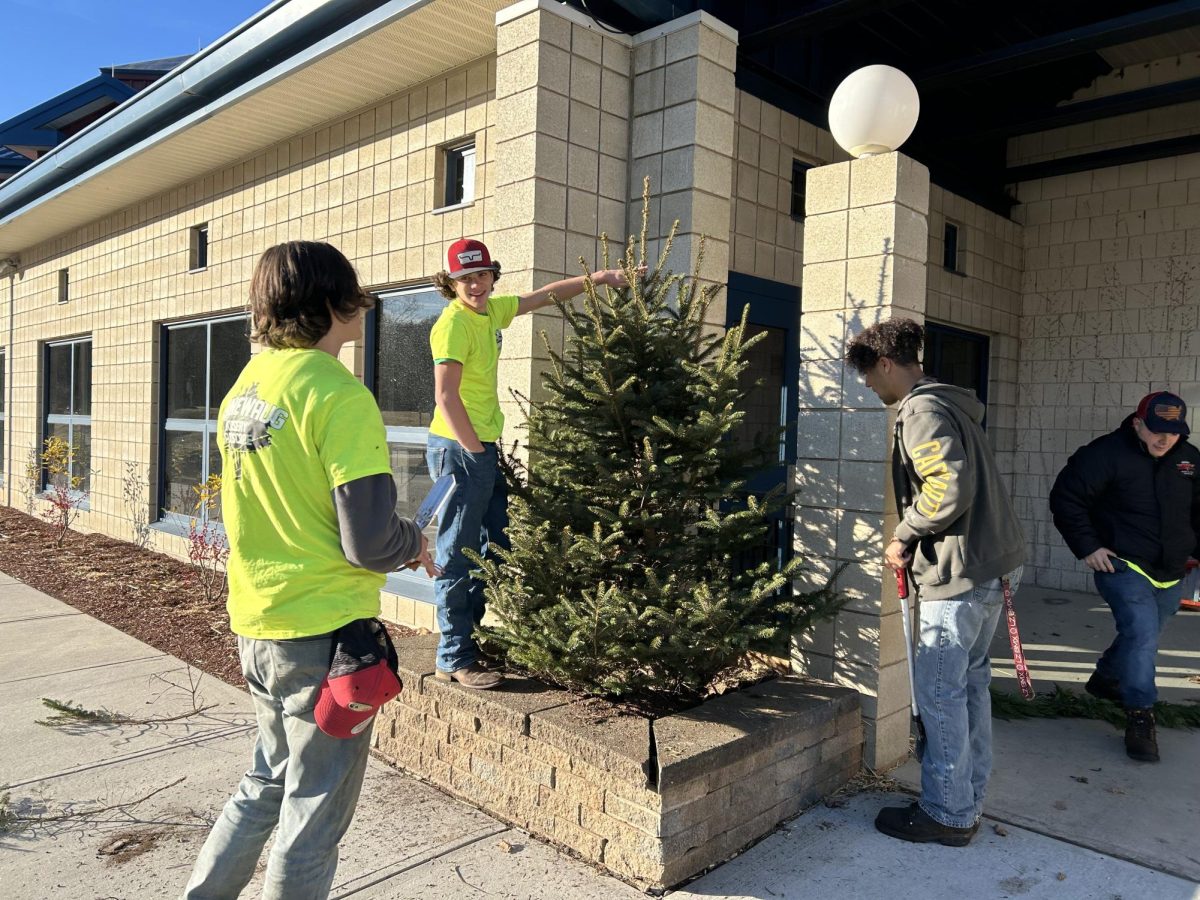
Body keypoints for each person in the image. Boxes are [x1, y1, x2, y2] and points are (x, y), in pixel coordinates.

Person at [184, 241, 435, 899]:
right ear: (330, 304)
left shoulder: (247, 387)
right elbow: (370, 541)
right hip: (325, 638)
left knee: (267, 780)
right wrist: (415, 540)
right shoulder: (339, 395)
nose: (364, 305)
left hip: (259, 621)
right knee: (315, 810)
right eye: (353, 294)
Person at [844, 318, 1026, 847]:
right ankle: (967, 797)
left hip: (961, 571)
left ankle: (947, 815)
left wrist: (903, 534)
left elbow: (949, 485)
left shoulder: (921, 410)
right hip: (992, 563)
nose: (871, 389)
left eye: (869, 378)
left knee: (940, 692)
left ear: (884, 364)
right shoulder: (950, 402)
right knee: (968, 684)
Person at [426, 238, 636, 689]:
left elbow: (543, 296)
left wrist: (597, 280)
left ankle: (470, 637)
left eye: (481, 275)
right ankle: (453, 656)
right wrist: (477, 453)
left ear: (491, 276)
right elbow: (445, 398)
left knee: (494, 541)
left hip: (479, 445)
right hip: (458, 449)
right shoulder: (453, 325)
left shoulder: (489, 312)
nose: (475, 285)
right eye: (465, 278)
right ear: (452, 283)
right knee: (456, 554)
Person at [1049, 391, 1200, 763]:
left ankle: (1105, 678)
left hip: (1171, 570)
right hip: (1122, 564)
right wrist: (1089, 547)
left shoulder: (1189, 459)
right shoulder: (1105, 454)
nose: (1164, 439)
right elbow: (1066, 497)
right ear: (1137, 423)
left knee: (1141, 633)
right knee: (1143, 633)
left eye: (1173, 432)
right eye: (1156, 430)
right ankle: (1140, 715)